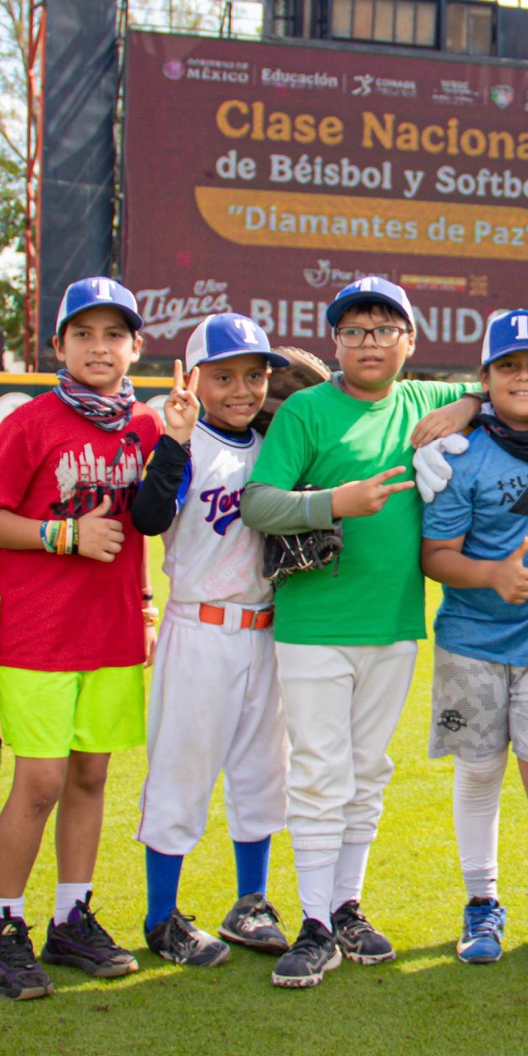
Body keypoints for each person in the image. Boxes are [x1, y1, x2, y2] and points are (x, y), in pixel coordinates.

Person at [239, 276, 481, 987]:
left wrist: (468, 400)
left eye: (383, 329)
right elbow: (258, 503)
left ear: (410, 339)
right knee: (319, 769)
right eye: (353, 331)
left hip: (395, 621)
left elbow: (501, 394)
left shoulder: (426, 401)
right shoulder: (308, 410)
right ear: (335, 342)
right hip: (315, 621)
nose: (368, 342)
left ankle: (346, 903)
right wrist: (331, 503)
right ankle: (314, 919)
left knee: (368, 769)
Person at [0, 277, 162, 1000]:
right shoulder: (32, 422)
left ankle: (71, 915)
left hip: (110, 632)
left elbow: (142, 532)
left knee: (90, 776)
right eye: (84, 334)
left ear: (135, 346)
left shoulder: (144, 425)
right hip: (40, 635)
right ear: (59, 345)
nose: (100, 347)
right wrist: (62, 533)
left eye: (115, 334)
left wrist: (143, 605)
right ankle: (1, 927)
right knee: (41, 780)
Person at [420, 310, 528, 968]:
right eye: (508, 366)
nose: (525, 377)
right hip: (473, 640)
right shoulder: (461, 454)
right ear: (485, 376)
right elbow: (435, 554)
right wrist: (491, 574)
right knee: (480, 767)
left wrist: (468, 400)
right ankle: (481, 900)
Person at [128, 314, 295, 968]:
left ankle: (250, 902)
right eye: (223, 375)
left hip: (267, 633)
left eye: (253, 375)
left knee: (263, 775)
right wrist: (172, 439)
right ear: (192, 379)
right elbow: (146, 518)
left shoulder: (275, 444)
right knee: (182, 772)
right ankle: (160, 917)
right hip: (199, 628)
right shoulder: (184, 442)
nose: (241, 388)